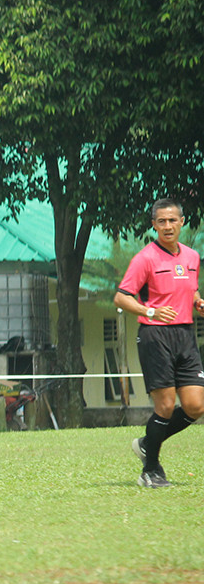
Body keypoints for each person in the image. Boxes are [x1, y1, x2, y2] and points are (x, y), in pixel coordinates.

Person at [114, 198, 204, 488]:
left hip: (186, 336)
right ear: (153, 225)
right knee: (165, 406)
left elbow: (189, 289)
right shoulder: (145, 259)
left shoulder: (192, 257)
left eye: (172, 220)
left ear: (181, 223)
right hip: (155, 336)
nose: (167, 226)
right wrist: (150, 310)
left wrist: (198, 301)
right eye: (161, 221)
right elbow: (121, 297)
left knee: (195, 406)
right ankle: (150, 470)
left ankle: (146, 443)